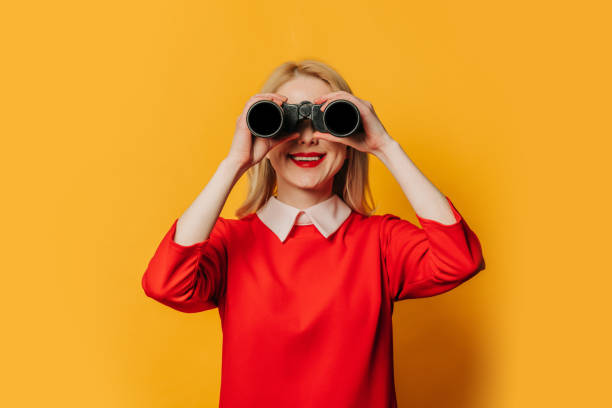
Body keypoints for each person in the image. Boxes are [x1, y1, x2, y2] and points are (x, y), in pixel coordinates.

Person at [141, 59, 486, 407]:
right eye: (288, 123)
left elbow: (460, 259)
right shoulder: (231, 244)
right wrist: (235, 162)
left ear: (351, 137)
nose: (306, 138)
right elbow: (165, 283)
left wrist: (385, 146)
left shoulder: (380, 242)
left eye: (325, 121)